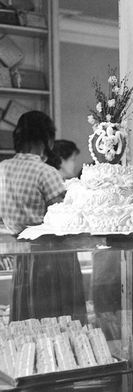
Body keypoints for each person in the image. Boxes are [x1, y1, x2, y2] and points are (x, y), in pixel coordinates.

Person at [0, 111, 86, 322]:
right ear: (47, 138)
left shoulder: (2, 169)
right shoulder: (46, 172)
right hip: (53, 258)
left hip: (22, 256)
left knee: (29, 321)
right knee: (59, 322)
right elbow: (65, 220)